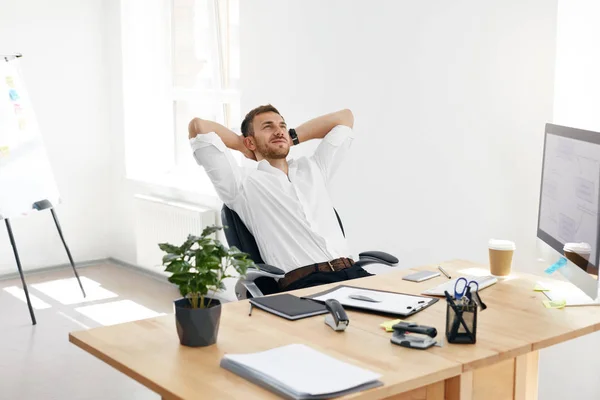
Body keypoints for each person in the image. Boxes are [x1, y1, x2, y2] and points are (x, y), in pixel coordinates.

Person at [188, 105, 372, 292]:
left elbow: (345, 118)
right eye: (268, 127)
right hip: (308, 284)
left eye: (282, 126)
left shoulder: (314, 168)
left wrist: (291, 136)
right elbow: (198, 127)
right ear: (250, 142)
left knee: (401, 305)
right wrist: (243, 146)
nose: (278, 131)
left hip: (354, 274)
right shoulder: (241, 184)